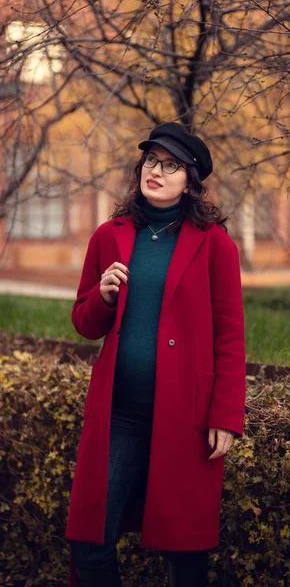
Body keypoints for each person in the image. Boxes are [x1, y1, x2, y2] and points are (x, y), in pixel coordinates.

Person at [65, 122, 247, 587]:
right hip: (118, 415)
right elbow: (84, 324)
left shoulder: (214, 244)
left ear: (190, 181)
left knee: (184, 555)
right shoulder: (110, 235)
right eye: (151, 161)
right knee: (89, 542)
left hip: (184, 418)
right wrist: (102, 297)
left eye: (171, 166)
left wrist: (226, 414)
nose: (157, 171)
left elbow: (230, 336)